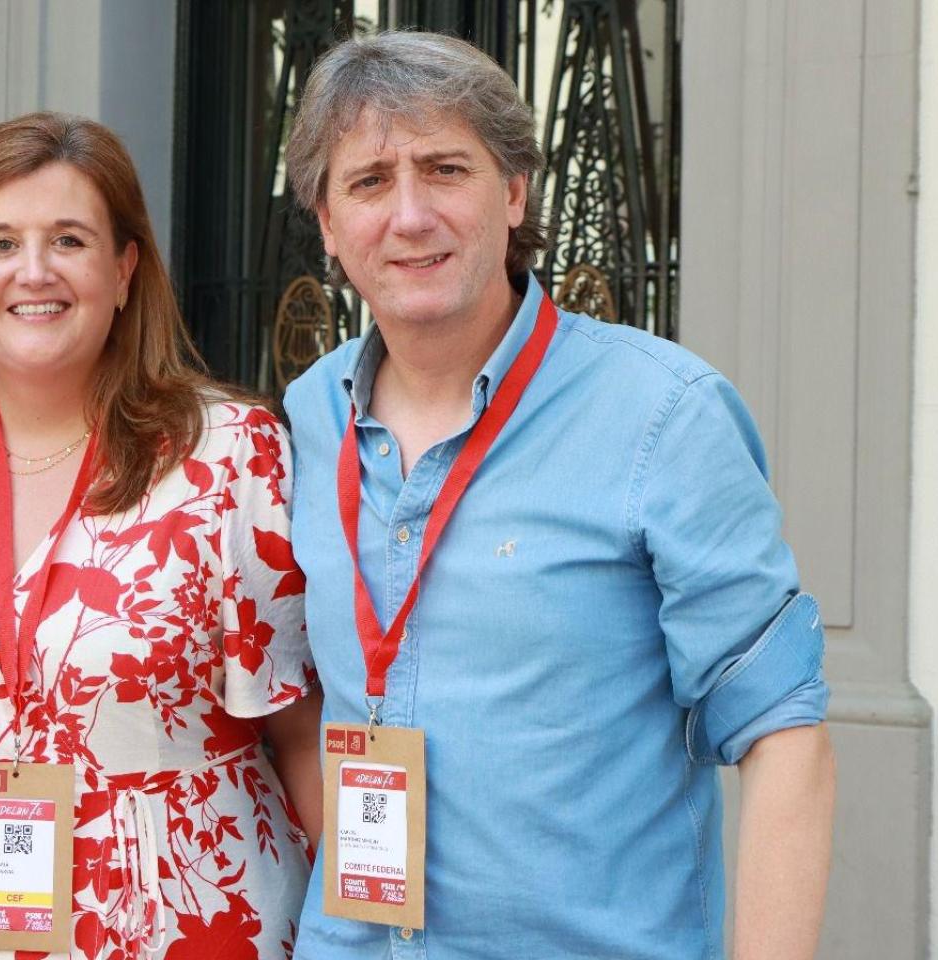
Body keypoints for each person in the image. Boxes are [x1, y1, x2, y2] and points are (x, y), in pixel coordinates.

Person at [280, 31, 835, 959]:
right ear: (329, 225)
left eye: (445, 169)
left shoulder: (663, 415)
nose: (410, 215)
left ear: (513, 192)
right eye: (370, 181)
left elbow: (785, 736)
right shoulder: (309, 415)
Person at [0, 111, 322, 958]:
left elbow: (297, 728)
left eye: (70, 241)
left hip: (180, 917)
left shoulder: (232, 451)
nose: (34, 271)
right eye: (0, 243)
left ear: (124, 270)